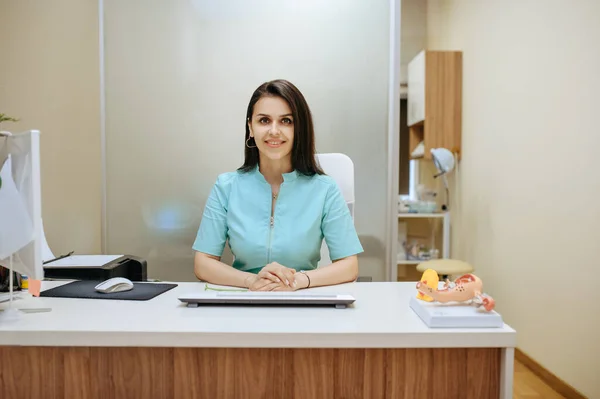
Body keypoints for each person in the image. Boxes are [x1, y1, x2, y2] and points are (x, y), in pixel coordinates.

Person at [192, 79, 363, 291]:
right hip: (244, 300)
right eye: (264, 120)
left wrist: (297, 281)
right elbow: (203, 263)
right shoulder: (226, 186)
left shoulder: (325, 189)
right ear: (250, 128)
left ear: (299, 128)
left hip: (302, 300)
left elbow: (349, 266)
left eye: (286, 121)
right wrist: (251, 281)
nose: (274, 130)